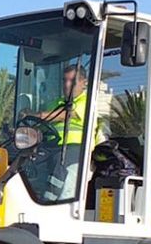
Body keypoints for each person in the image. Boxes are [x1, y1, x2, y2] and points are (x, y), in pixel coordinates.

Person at [25, 64, 100, 201]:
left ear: (84, 83)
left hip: (78, 151)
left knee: (60, 164)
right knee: (26, 163)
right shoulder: (56, 103)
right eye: (64, 80)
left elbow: (63, 115)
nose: (67, 85)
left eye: (72, 81)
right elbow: (41, 127)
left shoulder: (88, 102)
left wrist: (36, 115)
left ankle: (49, 202)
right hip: (53, 148)